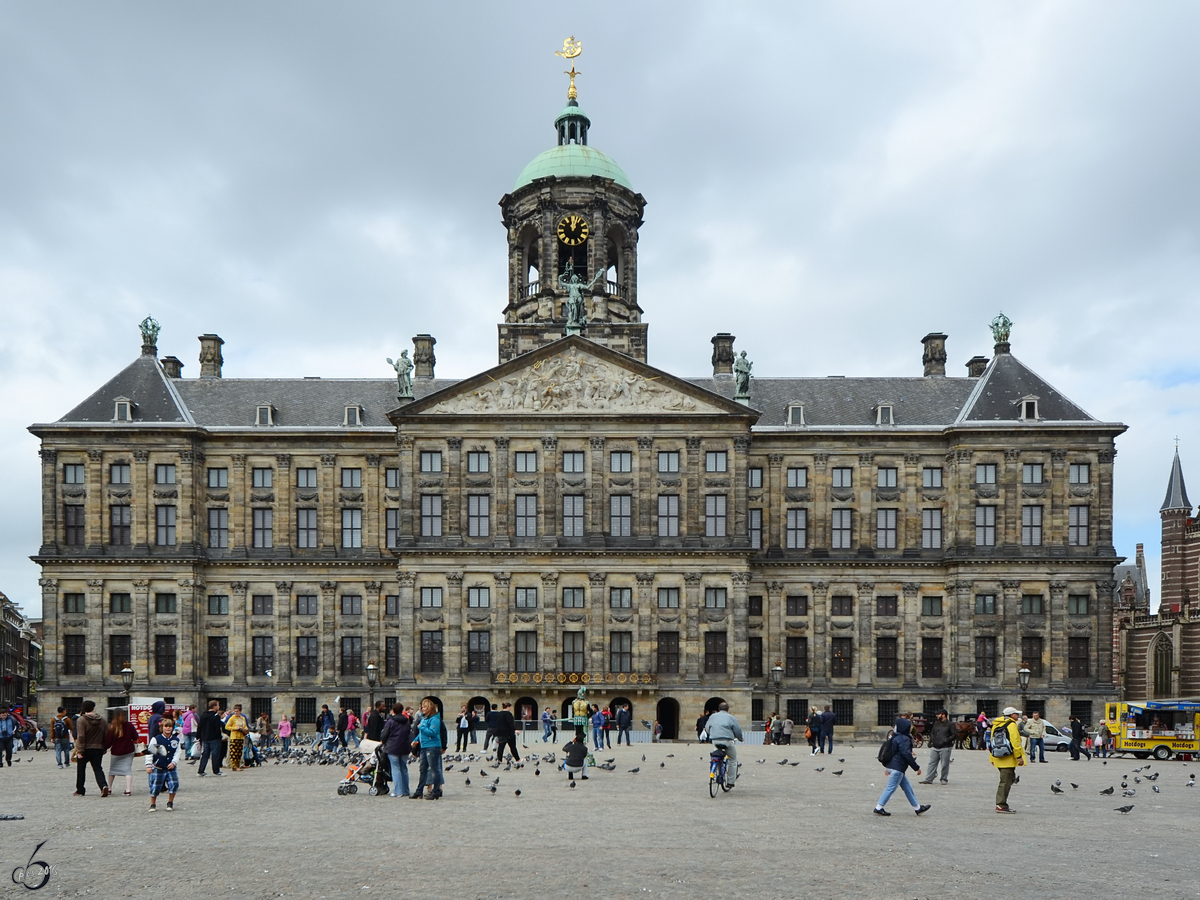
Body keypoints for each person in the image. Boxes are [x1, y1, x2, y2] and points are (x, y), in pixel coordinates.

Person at [874, 717, 931, 816]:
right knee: (890, 788)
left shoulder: (895, 737)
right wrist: (916, 767)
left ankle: (917, 808)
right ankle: (879, 807)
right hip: (898, 768)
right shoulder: (905, 739)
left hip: (893, 766)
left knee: (907, 787)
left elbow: (891, 752)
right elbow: (906, 754)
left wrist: (887, 767)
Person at [990, 706, 1026, 813]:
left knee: (1008, 779)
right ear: (1011, 715)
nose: (1018, 715)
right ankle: (1001, 805)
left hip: (998, 756)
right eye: (1016, 714)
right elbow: (1015, 742)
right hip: (1008, 757)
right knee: (1005, 782)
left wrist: (992, 757)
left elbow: (992, 742)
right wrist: (1019, 757)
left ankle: (1001, 804)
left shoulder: (996, 724)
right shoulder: (1011, 725)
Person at [72, 700, 110, 797]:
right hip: (98, 748)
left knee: (81, 769)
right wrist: (104, 747)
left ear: (83, 709)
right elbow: (106, 734)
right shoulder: (102, 720)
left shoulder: (81, 720)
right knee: (97, 768)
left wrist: (80, 751)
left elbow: (81, 736)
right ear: (93, 708)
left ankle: (80, 789)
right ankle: (103, 786)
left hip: (85, 748)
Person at [145, 715, 182, 811]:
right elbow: (150, 752)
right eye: (166, 726)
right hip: (158, 766)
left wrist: (174, 762)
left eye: (170, 726)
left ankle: (170, 802)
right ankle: (153, 804)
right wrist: (148, 765)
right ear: (162, 728)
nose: (168, 728)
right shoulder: (156, 739)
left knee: (174, 784)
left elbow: (178, 752)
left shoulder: (176, 740)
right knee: (155, 786)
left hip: (170, 767)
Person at [410, 697, 445, 800]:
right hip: (424, 746)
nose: (422, 708)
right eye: (422, 706)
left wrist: (422, 727)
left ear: (430, 708)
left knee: (434, 770)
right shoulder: (424, 718)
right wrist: (416, 740)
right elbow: (421, 733)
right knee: (422, 769)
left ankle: (436, 791)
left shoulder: (435, 719)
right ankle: (419, 791)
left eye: (424, 706)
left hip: (432, 746)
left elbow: (433, 733)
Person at [704, 702, 743, 787]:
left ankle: (715, 769)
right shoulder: (731, 717)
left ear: (718, 709)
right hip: (727, 741)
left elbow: (707, 728)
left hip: (715, 740)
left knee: (715, 755)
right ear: (728, 709)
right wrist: (740, 738)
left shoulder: (712, 717)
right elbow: (737, 730)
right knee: (733, 759)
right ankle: (730, 782)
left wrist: (712, 734)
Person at [379, 702, 412, 799]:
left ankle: (398, 791)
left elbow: (385, 734)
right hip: (405, 747)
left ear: (393, 711)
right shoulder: (407, 721)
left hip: (393, 747)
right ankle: (406, 790)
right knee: (404, 769)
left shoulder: (390, 721)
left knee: (395, 769)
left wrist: (383, 742)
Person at [105, 708, 138, 796]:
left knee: (112, 771)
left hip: (116, 751)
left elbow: (109, 741)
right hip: (128, 750)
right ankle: (128, 790)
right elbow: (135, 737)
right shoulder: (130, 725)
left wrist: (104, 748)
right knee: (127, 770)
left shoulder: (112, 726)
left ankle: (109, 788)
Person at [919, 710, 955, 785]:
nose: (937, 716)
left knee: (945, 764)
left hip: (945, 747)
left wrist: (946, 740)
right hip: (935, 746)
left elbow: (954, 735)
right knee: (931, 763)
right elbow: (932, 733)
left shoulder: (950, 724)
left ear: (944, 715)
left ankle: (944, 779)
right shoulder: (936, 723)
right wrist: (930, 741)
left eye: (938, 714)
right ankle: (929, 779)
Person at [197, 700, 226, 776]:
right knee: (215, 755)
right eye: (218, 705)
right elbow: (218, 727)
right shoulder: (215, 716)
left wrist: (198, 736)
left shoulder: (203, 715)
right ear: (214, 707)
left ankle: (201, 770)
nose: (219, 707)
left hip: (205, 737)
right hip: (214, 738)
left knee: (205, 755)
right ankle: (216, 770)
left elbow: (200, 726)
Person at [224, 705, 250, 772]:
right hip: (234, 737)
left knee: (239, 752)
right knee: (233, 752)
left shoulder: (242, 718)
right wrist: (234, 728)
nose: (236, 713)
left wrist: (245, 729)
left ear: (240, 711)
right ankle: (233, 765)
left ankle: (238, 765)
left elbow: (245, 726)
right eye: (235, 711)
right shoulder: (232, 718)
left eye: (237, 711)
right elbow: (227, 727)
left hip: (241, 736)